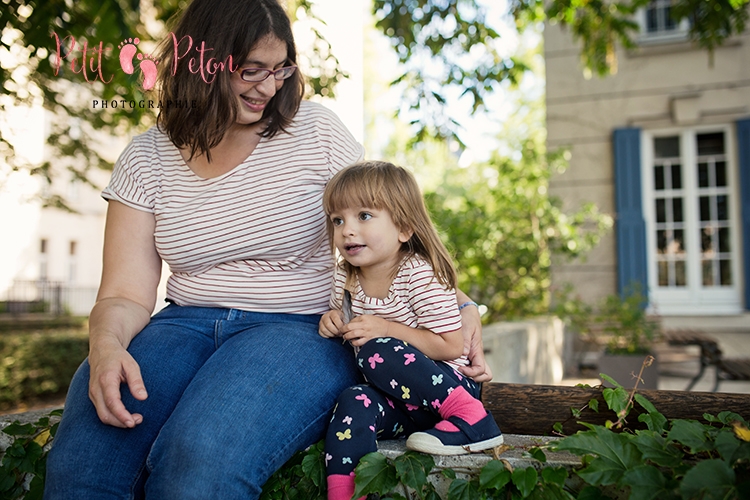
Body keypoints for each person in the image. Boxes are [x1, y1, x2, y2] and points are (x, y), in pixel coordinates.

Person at [43, 1, 492, 499]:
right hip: (180, 323)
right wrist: (105, 347)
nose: (269, 87)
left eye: (280, 70)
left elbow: (386, 227)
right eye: (250, 70)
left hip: (298, 327)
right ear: (201, 65)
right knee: (81, 469)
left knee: (198, 463)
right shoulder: (146, 156)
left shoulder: (315, 131)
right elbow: (125, 292)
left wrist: (461, 306)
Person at [318, 161, 503, 500]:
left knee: (377, 350)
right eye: (338, 220)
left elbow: (450, 345)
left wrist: (386, 328)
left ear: (403, 228)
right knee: (353, 400)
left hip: (448, 386)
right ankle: (347, 495)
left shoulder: (418, 274)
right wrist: (331, 318)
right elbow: (341, 318)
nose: (347, 230)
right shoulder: (344, 277)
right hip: (402, 402)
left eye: (364, 216)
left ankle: (474, 420)